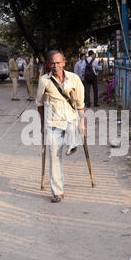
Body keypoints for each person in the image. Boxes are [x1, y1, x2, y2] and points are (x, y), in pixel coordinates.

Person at [36, 50, 85, 203]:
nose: (56, 66)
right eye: (53, 63)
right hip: (52, 122)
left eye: (58, 63)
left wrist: (83, 122)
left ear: (64, 63)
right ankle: (58, 192)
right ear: (49, 65)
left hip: (70, 119)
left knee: (74, 123)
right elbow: (39, 104)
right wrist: (42, 124)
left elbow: (80, 104)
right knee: (55, 158)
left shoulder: (74, 79)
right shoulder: (44, 80)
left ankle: (72, 144)